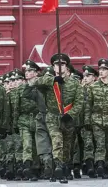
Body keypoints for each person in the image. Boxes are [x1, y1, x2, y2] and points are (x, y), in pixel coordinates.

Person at [35, 53, 83, 183]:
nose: (59, 67)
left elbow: (79, 102)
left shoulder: (75, 83)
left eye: (62, 64)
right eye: (57, 64)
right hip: (53, 117)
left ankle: (65, 166)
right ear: (53, 67)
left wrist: (71, 114)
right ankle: (59, 168)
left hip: (68, 118)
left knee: (68, 146)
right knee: (57, 142)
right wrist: (53, 80)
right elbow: (36, 83)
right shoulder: (48, 81)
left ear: (67, 67)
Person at [85, 59, 108, 179]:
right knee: (100, 144)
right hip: (96, 120)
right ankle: (100, 164)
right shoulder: (93, 87)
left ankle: (107, 165)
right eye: (100, 69)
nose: (101, 71)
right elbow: (88, 105)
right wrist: (87, 121)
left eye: (104, 70)